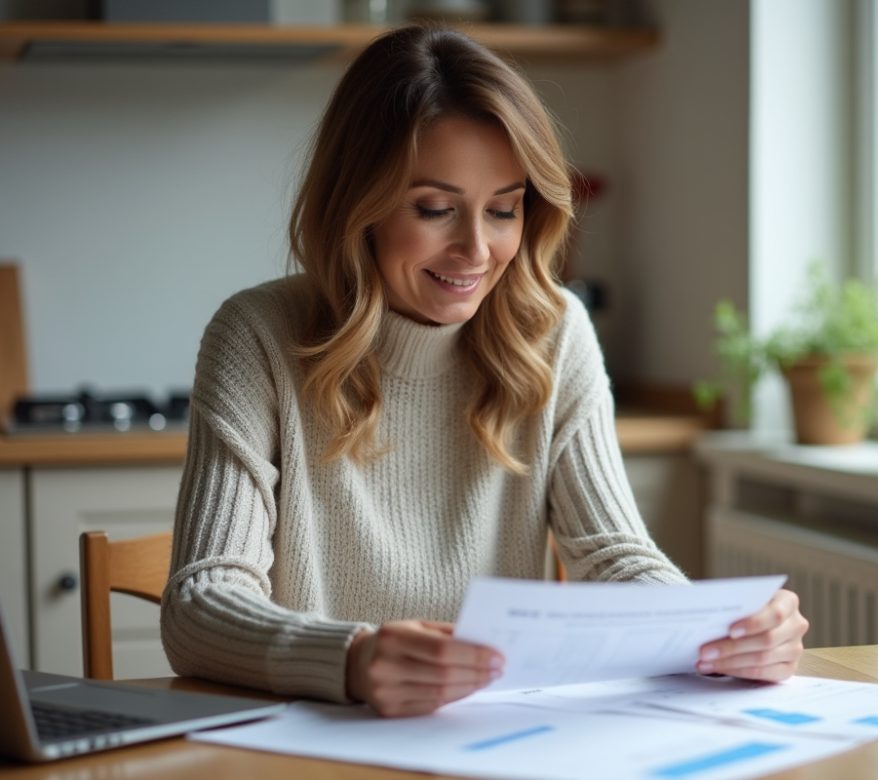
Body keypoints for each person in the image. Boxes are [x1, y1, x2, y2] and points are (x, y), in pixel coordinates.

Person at [160, 24, 808, 718]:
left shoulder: (554, 332)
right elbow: (199, 605)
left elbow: (613, 555)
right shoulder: (257, 336)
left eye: (503, 209)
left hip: (503, 738)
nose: (476, 249)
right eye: (435, 209)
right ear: (357, 207)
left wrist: (718, 631)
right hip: (317, 742)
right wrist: (353, 659)